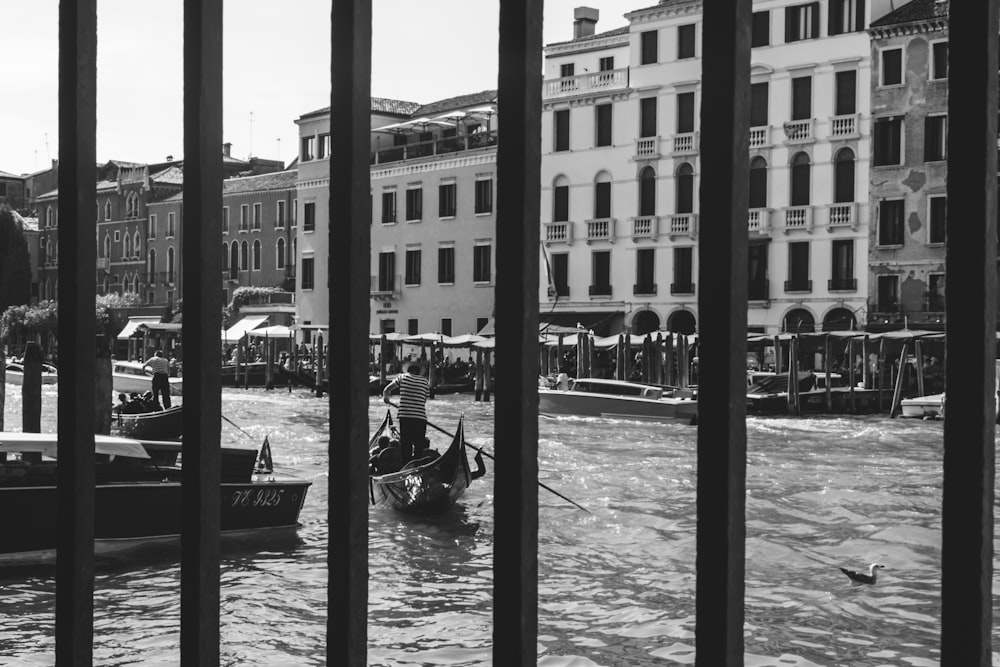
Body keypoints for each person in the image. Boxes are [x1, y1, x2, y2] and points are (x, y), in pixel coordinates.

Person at [382, 362, 429, 463]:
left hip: (405, 417)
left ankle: (406, 466)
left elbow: (386, 390)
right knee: (418, 448)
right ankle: (417, 467)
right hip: (420, 418)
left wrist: (386, 398)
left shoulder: (402, 377)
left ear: (408, 371)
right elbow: (424, 401)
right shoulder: (425, 382)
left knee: (406, 447)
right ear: (419, 372)